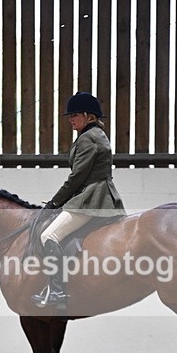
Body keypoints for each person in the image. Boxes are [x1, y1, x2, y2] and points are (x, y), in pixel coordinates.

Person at [31, 92, 126, 309]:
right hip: (95, 195)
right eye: (70, 116)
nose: (70, 119)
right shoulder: (96, 135)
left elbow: (77, 177)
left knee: (49, 235)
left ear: (88, 115)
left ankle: (57, 292)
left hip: (91, 198)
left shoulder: (88, 138)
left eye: (74, 115)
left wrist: (54, 203)